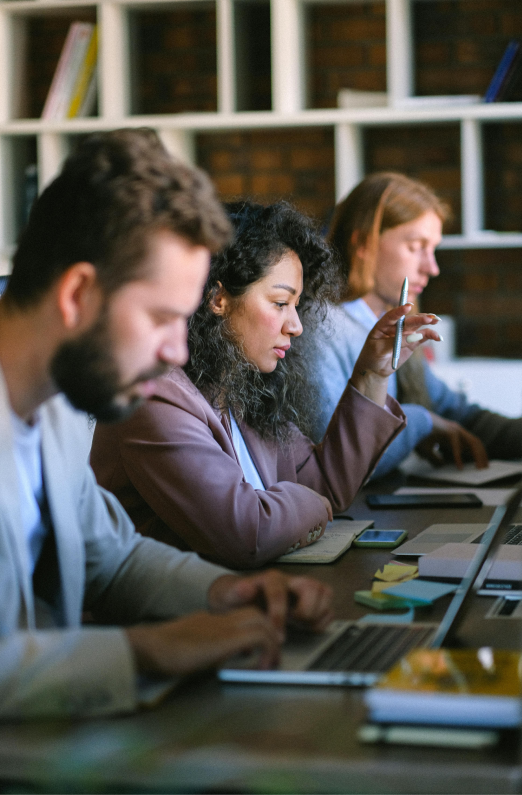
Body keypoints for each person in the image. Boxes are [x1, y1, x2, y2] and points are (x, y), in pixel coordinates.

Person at [0, 129, 335, 719]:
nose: (179, 352)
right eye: (161, 318)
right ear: (77, 293)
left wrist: (223, 592)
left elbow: (115, 557)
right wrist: (145, 650)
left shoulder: (45, 406)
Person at [91, 200, 441, 569]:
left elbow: (326, 483)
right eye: (279, 303)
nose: (296, 325)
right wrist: (311, 505)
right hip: (170, 618)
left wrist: (372, 373)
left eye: (296, 305)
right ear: (218, 298)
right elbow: (248, 532)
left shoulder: (240, 386)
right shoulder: (155, 396)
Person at [310, 172, 522, 477]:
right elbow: (337, 461)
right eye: (415, 247)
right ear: (362, 243)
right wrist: (421, 422)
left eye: (433, 249)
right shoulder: (320, 330)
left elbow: (457, 413)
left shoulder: (388, 327)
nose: (432, 267)